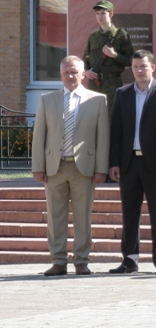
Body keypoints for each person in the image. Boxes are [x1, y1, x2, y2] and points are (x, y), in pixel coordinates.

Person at [32, 56, 109, 276]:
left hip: (83, 167)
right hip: (54, 167)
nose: (70, 76)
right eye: (66, 72)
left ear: (83, 74)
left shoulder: (97, 100)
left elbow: (102, 137)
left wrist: (101, 168)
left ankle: (81, 260)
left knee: (83, 216)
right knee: (55, 216)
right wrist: (38, 166)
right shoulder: (47, 100)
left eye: (74, 71)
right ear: (60, 75)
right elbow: (39, 135)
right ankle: (58, 261)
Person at [108, 50, 156, 274]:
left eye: (143, 66)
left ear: (152, 67)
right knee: (129, 213)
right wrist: (114, 162)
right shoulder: (122, 93)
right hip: (129, 163)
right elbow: (116, 130)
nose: (139, 70)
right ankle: (129, 259)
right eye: (135, 66)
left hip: (155, 164)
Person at [82, 0, 133, 115]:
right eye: (97, 13)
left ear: (111, 14)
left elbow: (130, 61)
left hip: (112, 83)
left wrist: (115, 55)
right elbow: (85, 59)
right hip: (95, 83)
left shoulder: (121, 35)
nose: (100, 16)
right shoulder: (93, 36)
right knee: (94, 115)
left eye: (103, 13)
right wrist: (87, 72)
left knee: (111, 116)